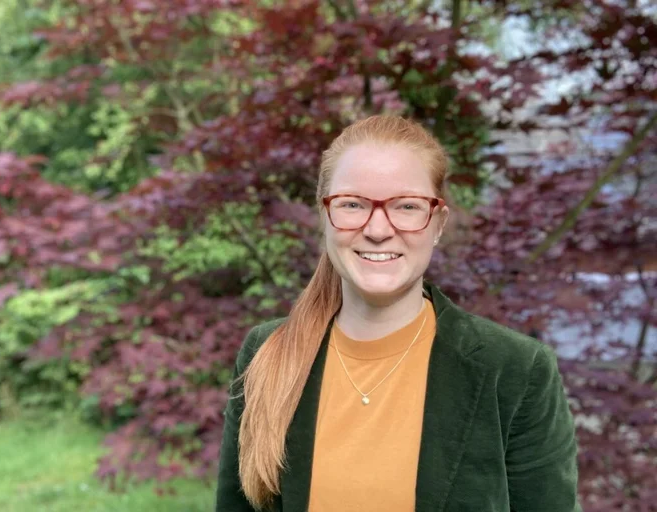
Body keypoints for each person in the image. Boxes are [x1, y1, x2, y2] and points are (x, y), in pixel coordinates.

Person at [215, 115, 580, 512]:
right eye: (352, 204)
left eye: (406, 206)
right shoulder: (268, 351)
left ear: (437, 223)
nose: (377, 229)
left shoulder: (514, 370)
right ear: (324, 216)